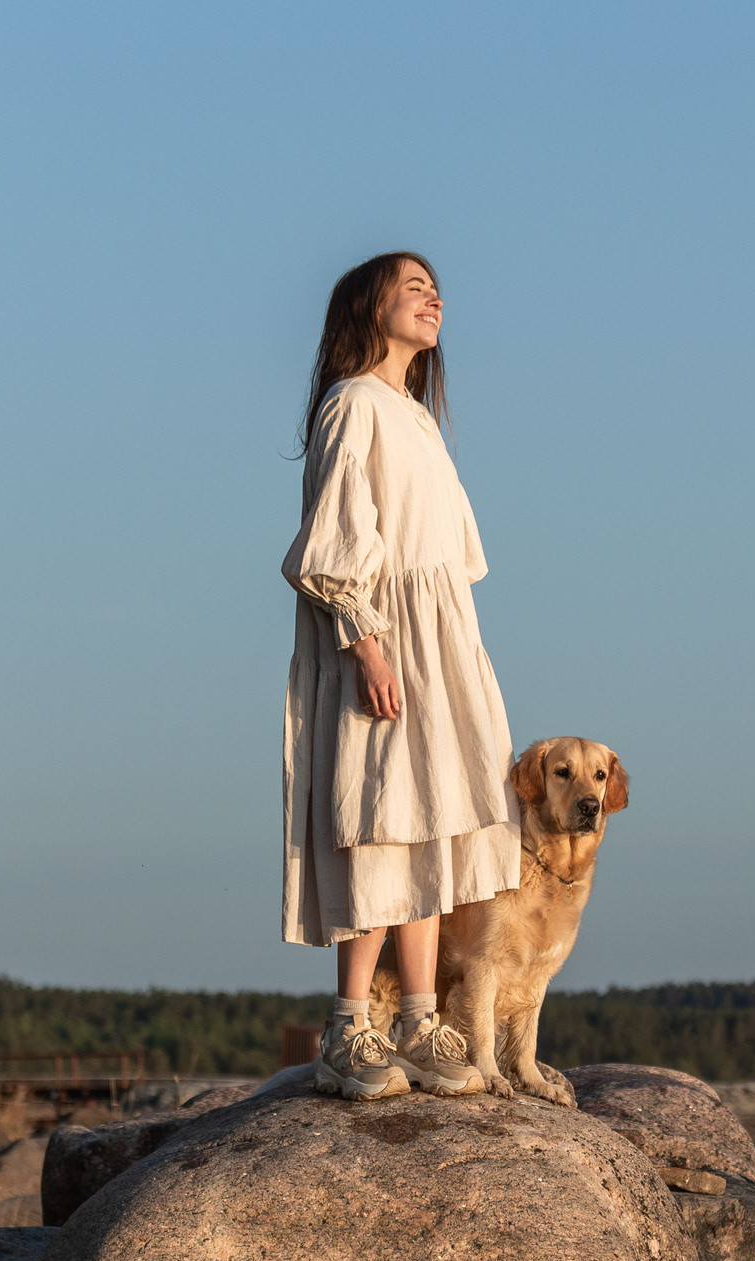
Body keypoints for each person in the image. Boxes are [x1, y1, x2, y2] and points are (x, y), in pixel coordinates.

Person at [280, 252, 517, 1099]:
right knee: (379, 816)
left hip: (440, 638)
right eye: (412, 286)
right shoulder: (354, 405)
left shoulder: (417, 417)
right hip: (384, 638)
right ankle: (350, 1026)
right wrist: (367, 645)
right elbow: (336, 543)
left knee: (431, 819)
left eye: (436, 287)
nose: (433, 297)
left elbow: (450, 557)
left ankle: (418, 1018)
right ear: (366, 306)